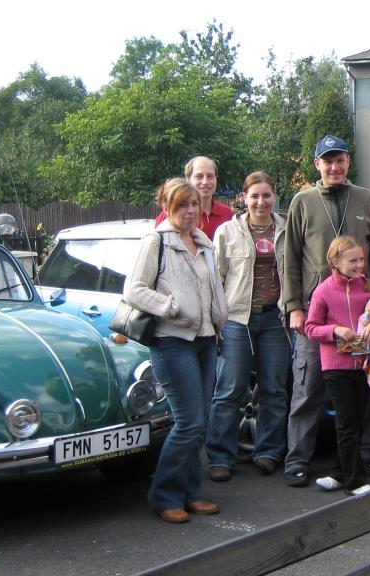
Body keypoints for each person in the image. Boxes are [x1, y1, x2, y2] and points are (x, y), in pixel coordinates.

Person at [282, 134, 370, 488]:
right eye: (327, 161)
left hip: (361, 314)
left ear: (348, 162)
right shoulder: (302, 201)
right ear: (317, 164)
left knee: (365, 389)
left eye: (340, 159)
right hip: (317, 311)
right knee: (308, 388)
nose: (334, 167)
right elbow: (290, 258)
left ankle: (364, 455)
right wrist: (294, 307)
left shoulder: (366, 199)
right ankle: (298, 459)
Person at [123, 178, 228, 523]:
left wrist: (219, 319)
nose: (189, 211)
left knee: (201, 421)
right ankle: (164, 495)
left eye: (194, 204)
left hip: (206, 341)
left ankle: (190, 493)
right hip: (172, 342)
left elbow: (213, 289)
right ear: (166, 207)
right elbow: (134, 290)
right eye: (182, 205)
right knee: (188, 422)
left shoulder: (204, 242)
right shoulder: (157, 241)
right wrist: (169, 307)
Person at [205, 172, 291, 481]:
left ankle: (268, 451)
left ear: (274, 196)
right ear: (244, 198)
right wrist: (215, 320)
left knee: (274, 389)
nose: (260, 201)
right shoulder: (228, 231)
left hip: (274, 318)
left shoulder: (287, 229)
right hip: (237, 319)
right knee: (230, 389)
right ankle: (220, 456)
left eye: (266, 195)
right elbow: (215, 278)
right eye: (254, 196)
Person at [303, 236, 370, 495]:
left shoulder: (369, 287)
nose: (359, 265)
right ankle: (355, 481)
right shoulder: (323, 290)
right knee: (347, 423)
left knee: (357, 421)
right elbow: (311, 327)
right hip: (335, 366)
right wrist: (334, 329)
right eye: (352, 261)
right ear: (335, 262)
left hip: (363, 363)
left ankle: (339, 472)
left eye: (362, 259)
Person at [156, 156, 234, 239]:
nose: (205, 182)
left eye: (210, 176)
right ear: (188, 179)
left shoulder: (227, 214)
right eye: (199, 176)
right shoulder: (170, 216)